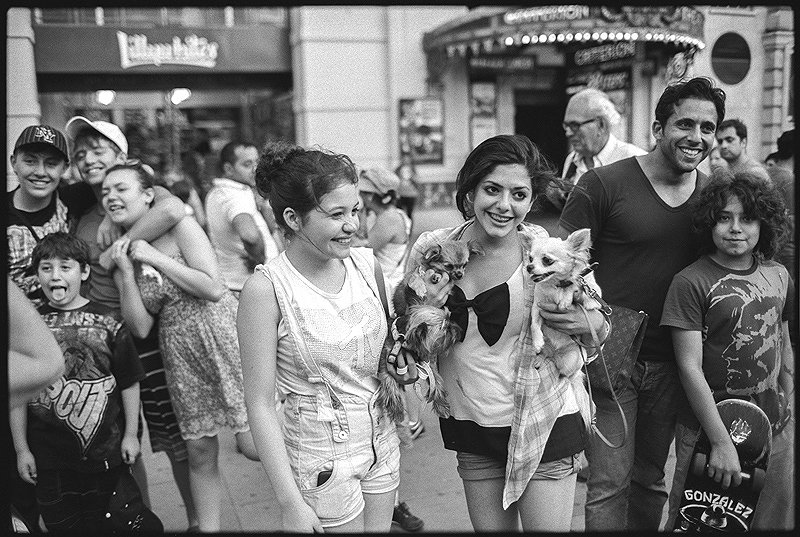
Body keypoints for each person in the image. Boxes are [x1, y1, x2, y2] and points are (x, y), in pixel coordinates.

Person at [407, 134, 609, 532]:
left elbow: (598, 323)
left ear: (532, 200)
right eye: (492, 190)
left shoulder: (544, 249)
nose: (504, 205)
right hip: (473, 424)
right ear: (469, 191)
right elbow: (406, 328)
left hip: (543, 420)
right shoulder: (433, 248)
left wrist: (591, 324)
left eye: (518, 194)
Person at [558, 76, 726, 530]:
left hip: (677, 360)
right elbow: (560, 261)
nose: (696, 137)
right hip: (612, 359)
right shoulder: (603, 184)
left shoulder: (714, 196)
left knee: (650, 479)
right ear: (658, 128)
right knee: (610, 484)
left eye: (707, 128)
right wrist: (579, 321)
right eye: (684, 124)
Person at [238, 141, 432, 532]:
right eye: (337, 214)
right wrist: (290, 501)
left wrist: (408, 374)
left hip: (382, 443)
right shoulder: (266, 290)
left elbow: (389, 351)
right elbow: (259, 403)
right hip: (320, 461)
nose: (354, 226)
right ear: (293, 218)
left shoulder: (365, 264)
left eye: (356, 210)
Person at [103, 161, 254, 532]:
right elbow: (140, 326)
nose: (111, 197)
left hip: (219, 333)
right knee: (199, 449)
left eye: (121, 188)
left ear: (148, 195)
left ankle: (306, 505)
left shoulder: (180, 228)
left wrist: (153, 257)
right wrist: (124, 271)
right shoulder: (122, 253)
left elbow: (213, 288)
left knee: (253, 442)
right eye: (105, 192)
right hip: (178, 349)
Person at [65, 115, 197, 525]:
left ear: (122, 156)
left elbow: (174, 206)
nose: (87, 160)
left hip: (143, 334)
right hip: (97, 344)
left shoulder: (145, 194)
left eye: (98, 151)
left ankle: (196, 520)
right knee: (122, 443)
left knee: (176, 440)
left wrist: (118, 236)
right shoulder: (78, 204)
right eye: (81, 153)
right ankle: (142, 520)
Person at [661, 171, 794, 531]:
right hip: (709, 430)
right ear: (710, 223)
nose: (736, 228)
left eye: (747, 218)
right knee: (702, 524)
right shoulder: (690, 282)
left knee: (776, 517)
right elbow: (690, 368)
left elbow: (783, 341)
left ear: (763, 224)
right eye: (725, 218)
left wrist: (789, 399)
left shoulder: (779, 275)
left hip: (775, 427)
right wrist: (720, 441)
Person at [9, 232, 145, 531]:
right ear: (37, 275)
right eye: (46, 268)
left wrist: (131, 434)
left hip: (106, 459)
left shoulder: (110, 321)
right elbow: (18, 394)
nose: (55, 275)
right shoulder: (27, 330)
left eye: (65, 266)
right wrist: (22, 449)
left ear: (84, 271)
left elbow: (129, 381)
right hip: (50, 464)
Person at [353, 165, 425, 532]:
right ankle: (406, 422)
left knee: (393, 371)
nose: (360, 198)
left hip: (385, 300)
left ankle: (407, 422)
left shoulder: (389, 217)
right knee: (394, 371)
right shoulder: (386, 214)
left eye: (365, 192)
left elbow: (360, 250)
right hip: (380, 297)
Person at [7, 124, 96, 305]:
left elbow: (140, 183)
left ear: (64, 168)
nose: (40, 172)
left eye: (51, 163)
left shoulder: (73, 198)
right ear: (13, 162)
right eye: (30, 161)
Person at [545, 88, 646, 213]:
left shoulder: (634, 159)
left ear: (601, 125)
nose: (568, 132)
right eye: (566, 126)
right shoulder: (572, 161)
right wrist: (559, 199)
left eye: (575, 125)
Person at [205, 140, 280, 296]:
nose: (255, 169)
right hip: (249, 286)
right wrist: (261, 260)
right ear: (228, 169)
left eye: (256, 162)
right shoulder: (235, 196)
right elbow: (250, 236)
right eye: (247, 164)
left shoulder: (219, 192)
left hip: (237, 284)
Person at [395, 153, 420, 218]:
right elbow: (394, 179)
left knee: (409, 213)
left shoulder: (412, 168)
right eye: (404, 158)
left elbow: (417, 180)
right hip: (401, 194)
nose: (405, 160)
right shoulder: (398, 169)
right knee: (400, 213)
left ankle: (409, 227)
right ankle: (402, 227)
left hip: (411, 194)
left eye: (407, 159)